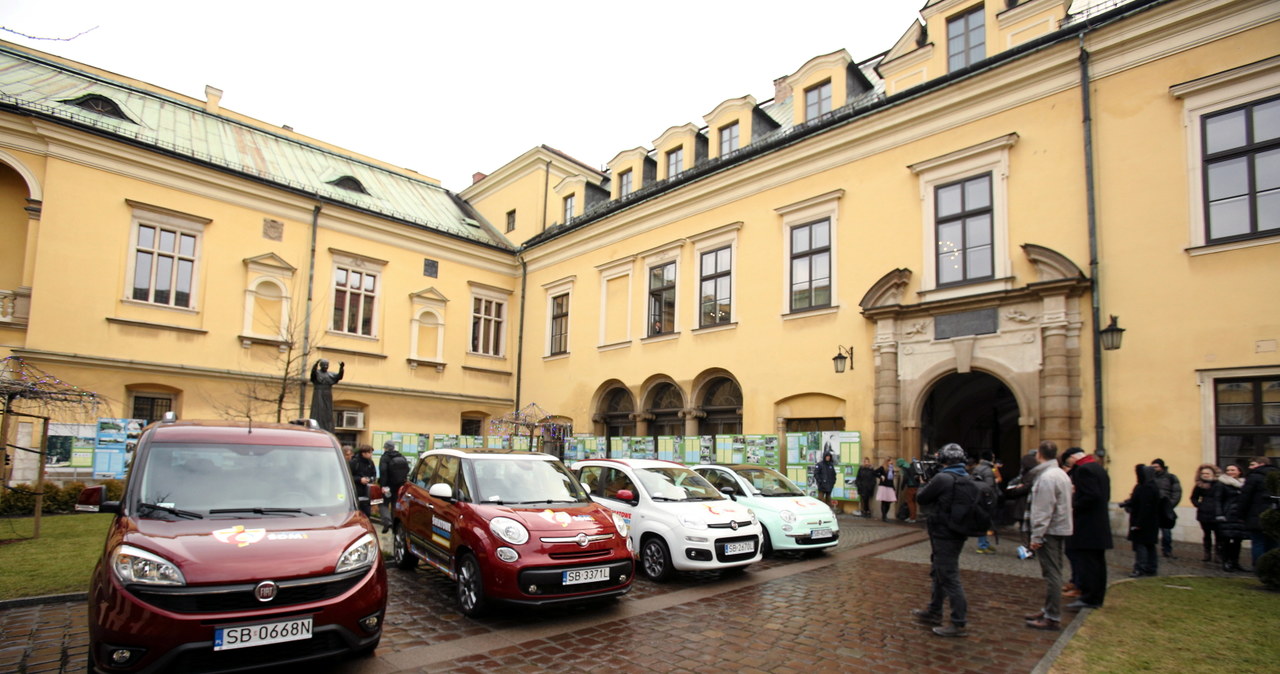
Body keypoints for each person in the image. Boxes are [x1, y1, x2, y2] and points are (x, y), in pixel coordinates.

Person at [911, 443, 972, 637]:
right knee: (939, 572)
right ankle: (934, 610)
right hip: (957, 532)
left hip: (943, 533)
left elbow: (921, 498)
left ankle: (958, 622)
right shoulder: (965, 476)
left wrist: (922, 482)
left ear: (943, 460)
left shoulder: (942, 478)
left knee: (949, 576)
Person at [1024, 442, 1073, 631]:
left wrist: (1036, 536)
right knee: (1055, 570)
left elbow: (1043, 510)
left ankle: (1052, 616)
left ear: (1039, 455)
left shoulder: (1047, 478)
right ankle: (1047, 609)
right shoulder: (1061, 474)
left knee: (1052, 573)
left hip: (1050, 531)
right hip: (1059, 528)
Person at [1062, 447, 1112, 609]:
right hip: (1098, 523)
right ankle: (1095, 596)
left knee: (1088, 563)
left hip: (1088, 525)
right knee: (1097, 563)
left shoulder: (1084, 470)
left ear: (1072, 458)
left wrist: (1073, 506)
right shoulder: (1098, 468)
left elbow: (1091, 495)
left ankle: (1089, 597)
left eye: (1067, 461)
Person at [1239, 456, 1278, 570]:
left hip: (1256, 515)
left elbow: (1245, 498)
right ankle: (1273, 568)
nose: (1250, 467)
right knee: (1274, 542)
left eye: (1252, 464)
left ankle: (1259, 567)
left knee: (1258, 542)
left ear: (1261, 464)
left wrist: (1240, 514)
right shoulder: (1277, 475)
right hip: (1275, 515)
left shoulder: (1254, 477)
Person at [1125, 464, 1162, 577]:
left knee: (1142, 545)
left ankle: (1141, 568)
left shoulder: (1148, 487)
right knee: (1149, 545)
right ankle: (1151, 567)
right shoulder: (1148, 486)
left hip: (1144, 521)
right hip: (1149, 521)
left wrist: (1138, 523)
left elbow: (1145, 506)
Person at [1215, 464, 1247, 572]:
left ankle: (1235, 562)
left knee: (1238, 540)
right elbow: (1218, 500)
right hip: (1227, 514)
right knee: (1226, 540)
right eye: (1228, 470)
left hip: (1240, 515)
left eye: (1233, 470)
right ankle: (1226, 562)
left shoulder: (1244, 484)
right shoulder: (1222, 483)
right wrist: (1219, 514)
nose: (1230, 472)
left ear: (1239, 471)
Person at [1190, 463, 1223, 563]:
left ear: (1213, 474)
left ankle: (1218, 555)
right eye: (1203, 473)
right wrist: (1200, 505)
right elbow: (1193, 497)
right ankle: (1207, 554)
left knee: (1219, 535)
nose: (1205, 475)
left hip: (1217, 512)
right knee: (1207, 534)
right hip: (1204, 513)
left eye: (1207, 473)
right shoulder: (1199, 485)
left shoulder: (1219, 484)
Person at [1150, 458, 1182, 559]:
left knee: (1166, 532)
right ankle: (1151, 550)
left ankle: (1167, 550)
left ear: (1162, 467)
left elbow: (1177, 493)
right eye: (1153, 467)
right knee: (1151, 530)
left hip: (1165, 509)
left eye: (1156, 467)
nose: (1154, 469)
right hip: (1153, 507)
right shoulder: (1150, 478)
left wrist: (1169, 505)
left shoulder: (1171, 477)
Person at [378, 440, 410, 533]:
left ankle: (387, 522)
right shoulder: (401, 456)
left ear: (385, 448)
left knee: (383, 504)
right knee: (395, 505)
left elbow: (383, 471)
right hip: (398, 485)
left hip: (387, 485)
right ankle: (394, 528)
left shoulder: (385, 457)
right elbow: (407, 469)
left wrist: (383, 485)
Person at [972, 451, 998, 554]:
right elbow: (989, 486)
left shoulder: (978, 467)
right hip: (985, 499)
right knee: (984, 521)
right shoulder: (988, 470)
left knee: (982, 521)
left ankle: (984, 543)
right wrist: (992, 498)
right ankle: (982, 545)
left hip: (978, 497)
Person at [309, 359, 345, 433]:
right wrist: (315, 365)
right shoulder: (317, 373)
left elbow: (339, 376)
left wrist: (341, 368)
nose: (326, 366)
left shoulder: (330, 374)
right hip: (318, 393)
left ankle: (327, 426)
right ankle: (318, 426)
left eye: (327, 365)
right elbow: (313, 374)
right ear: (321, 365)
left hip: (327, 394)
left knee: (327, 411)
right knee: (318, 409)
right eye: (324, 365)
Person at [349, 443, 376, 517]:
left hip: (367, 492)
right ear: (363, 453)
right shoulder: (354, 462)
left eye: (371, 453)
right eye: (369, 452)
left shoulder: (370, 462)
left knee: (367, 513)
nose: (371, 454)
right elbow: (349, 477)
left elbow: (374, 474)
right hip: (356, 491)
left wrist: (370, 479)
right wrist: (360, 479)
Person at [874, 457, 898, 522]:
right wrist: (880, 476)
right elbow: (874, 472)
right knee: (884, 502)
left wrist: (893, 487)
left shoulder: (891, 469)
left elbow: (891, 479)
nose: (891, 463)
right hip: (883, 486)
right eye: (890, 462)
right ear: (886, 462)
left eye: (892, 462)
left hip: (890, 486)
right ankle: (884, 516)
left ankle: (885, 515)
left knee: (889, 502)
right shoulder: (882, 468)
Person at [899, 458, 922, 522]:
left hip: (911, 486)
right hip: (916, 485)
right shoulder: (911, 466)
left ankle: (912, 518)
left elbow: (905, 477)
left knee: (910, 502)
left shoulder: (905, 467)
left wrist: (902, 486)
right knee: (913, 502)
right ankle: (913, 517)